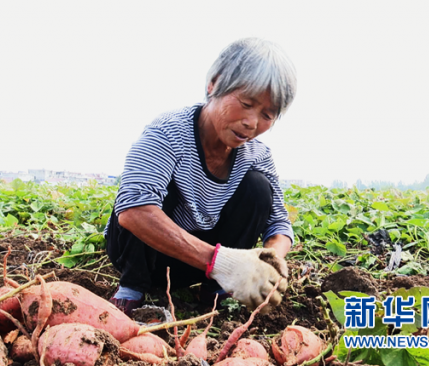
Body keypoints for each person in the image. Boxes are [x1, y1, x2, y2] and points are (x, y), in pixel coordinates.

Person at [105, 38, 296, 316]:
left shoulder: (257, 155)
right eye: (245, 103)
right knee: (155, 191)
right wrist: (222, 263)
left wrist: (270, 262)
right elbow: (133, 211)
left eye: (267, 115)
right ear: (214, 84)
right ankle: (132, 289)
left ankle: (214, 290)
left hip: (198, 265)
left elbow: (278, 224)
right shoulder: (168, 132)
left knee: (258, 188)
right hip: (145, 255)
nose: (252, 123)